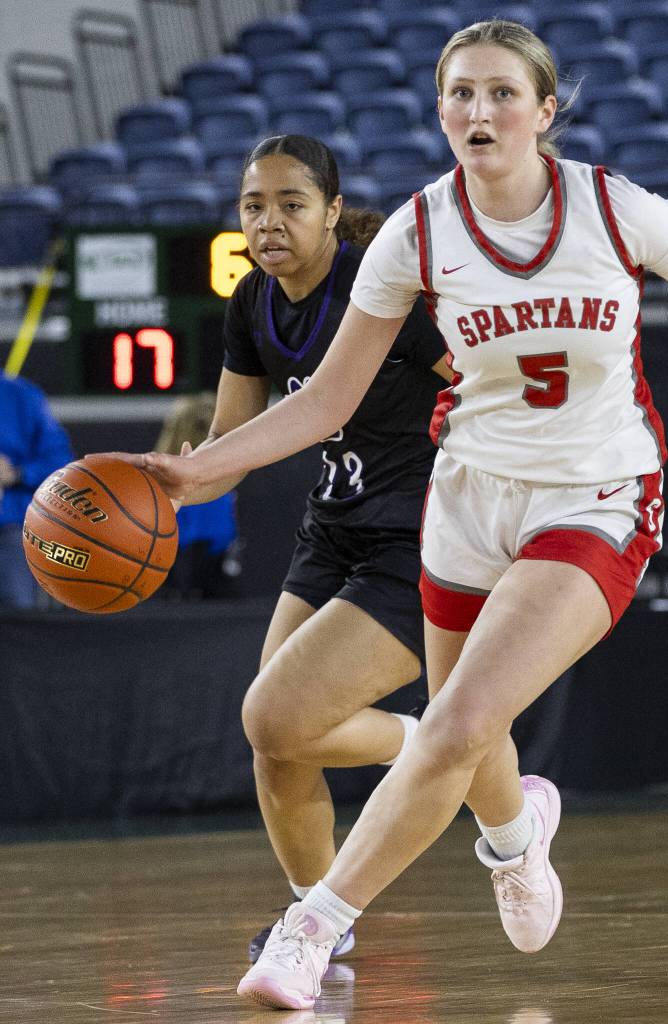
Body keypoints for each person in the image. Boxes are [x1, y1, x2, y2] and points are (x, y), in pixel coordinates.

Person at [111, 21, 668, 1010]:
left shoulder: (613, 207)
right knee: (468, 738)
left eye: (502, 93)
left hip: (596, 494)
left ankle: (310, 928)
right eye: (458, 94)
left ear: (544, 112)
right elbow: (325, 401)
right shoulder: (416, 232)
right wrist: (198, 470)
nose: (477, 110)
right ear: (439, 113)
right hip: (467, 501)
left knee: (457, 718)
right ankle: (512, 837)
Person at [171, 134, 452, 963]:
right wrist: (159, 486)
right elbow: (230, 444)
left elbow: (478, 385)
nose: (268, 222)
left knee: (282, 716)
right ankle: (317, 922)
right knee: (275, 742)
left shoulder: (386, 284)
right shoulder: (251, 300)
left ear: (333, 211)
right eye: (253, 206)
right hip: (330, 530)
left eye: (291, 204)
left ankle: (442, 745)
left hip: (417, 535)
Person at [154, 392, 239, 599]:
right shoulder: (211, 486)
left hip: (172, 582)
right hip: (196, 585)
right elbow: (201, 544)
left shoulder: (156, 480)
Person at [0, 370, 73, 609]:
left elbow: (61, 465)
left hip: (9, 529)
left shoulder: (20, 396)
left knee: (17, 618)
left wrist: (16, 474)